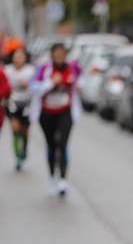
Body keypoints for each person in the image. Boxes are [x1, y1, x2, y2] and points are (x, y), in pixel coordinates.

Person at [30, 42, 81, 197]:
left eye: (62, 53)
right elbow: (33, 86)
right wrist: (51, 82)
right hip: (46, 113)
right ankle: (52, 177)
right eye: (56, 53)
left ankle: (63, 180)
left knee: (63, 144)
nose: (59, 56)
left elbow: (81, 80)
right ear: (52, 54)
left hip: (66, 112)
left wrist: (76, 84)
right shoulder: (44, 69)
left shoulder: (73, 67)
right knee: (51, 145)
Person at [4, 46, 35, 171]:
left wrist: (29, 84)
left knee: (24, 131)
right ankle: (18, 156)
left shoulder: (30, 71)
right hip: (11, 103)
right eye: (16, 57)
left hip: (27, 104)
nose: (18, 59)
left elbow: (37, 85)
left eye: (21, 57)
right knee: (15, 128)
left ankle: (25, 148)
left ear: (25, 58)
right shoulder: (7, 70)